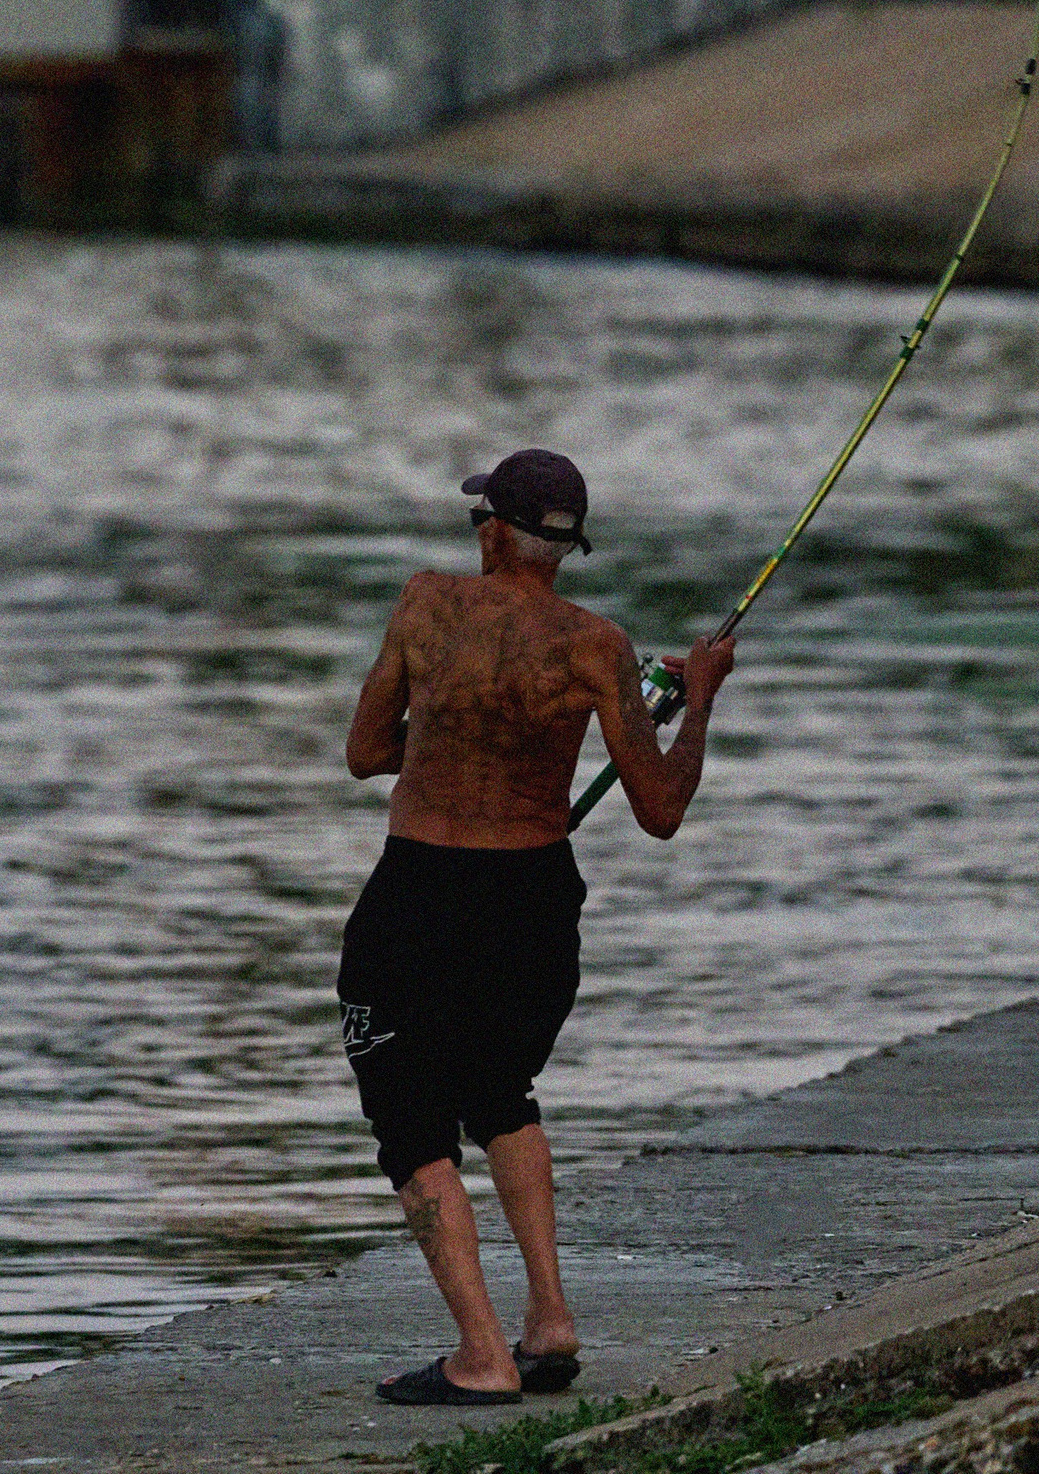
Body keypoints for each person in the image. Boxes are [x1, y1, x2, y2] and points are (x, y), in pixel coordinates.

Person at [340, 448, 735, 1406]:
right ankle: (549, 1318)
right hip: (534, 899)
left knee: (409, 1117)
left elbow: (363, 753)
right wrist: (700, 701)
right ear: (565, 550)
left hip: (420, 892)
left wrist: (446, 734)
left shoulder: (425, 604)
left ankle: (482, 1355)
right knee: (500, 1088)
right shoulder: (598, 648)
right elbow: (662, 807)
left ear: (490, 531)